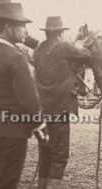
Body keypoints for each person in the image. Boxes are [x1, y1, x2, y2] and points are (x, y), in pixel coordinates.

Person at [0, 2, 47, 189]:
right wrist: (41, 130)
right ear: (7, 27)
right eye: (21, 25)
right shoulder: (16, 57)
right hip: (12, 134)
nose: (25, 31)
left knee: (1, 180)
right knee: (7, 184)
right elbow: (28, 101)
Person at [33, 16, 91, 189]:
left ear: (47, 32)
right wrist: (79, 45)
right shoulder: (65, 47)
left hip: (43, 110)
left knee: (45, 152)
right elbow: (87, 56)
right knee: (60, 155)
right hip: (60, 110)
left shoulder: (38, 50)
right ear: (59, 33)